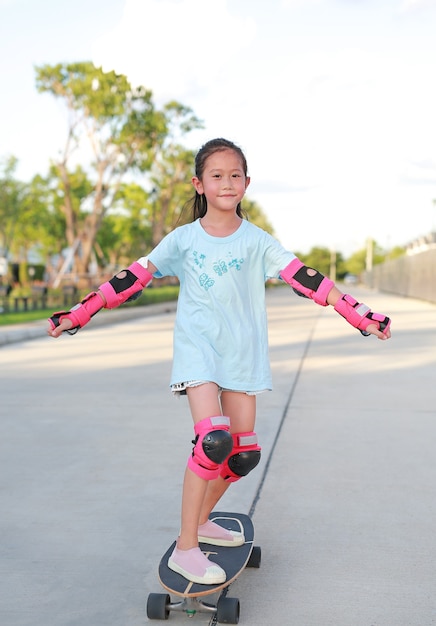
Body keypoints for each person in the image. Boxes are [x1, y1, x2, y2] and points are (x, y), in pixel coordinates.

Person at [47, 137, 391, 585]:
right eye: (217, 175)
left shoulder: (257, 241)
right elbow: (132, 277)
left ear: (246, 183)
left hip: (242, 356)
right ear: (200, 184)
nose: (226, 183)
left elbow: (308, 279)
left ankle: (204, 521)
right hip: (199, 351)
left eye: (235, 175)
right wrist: (80, 312)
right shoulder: (184, 239)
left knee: (241, 453)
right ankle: (186, 548)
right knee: (213, 441)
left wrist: (359, 315)